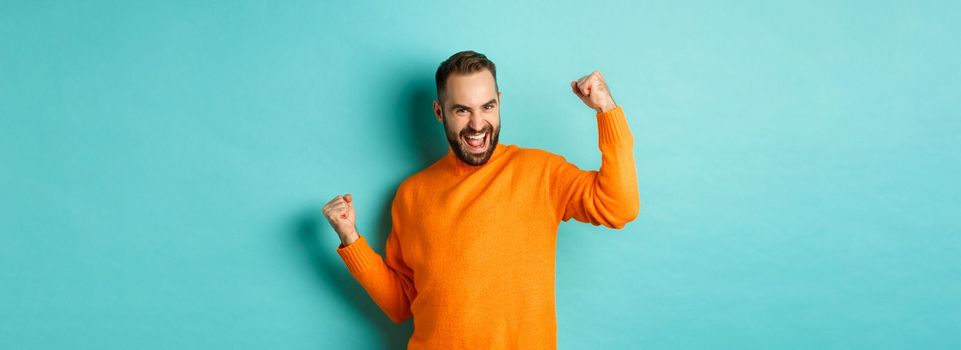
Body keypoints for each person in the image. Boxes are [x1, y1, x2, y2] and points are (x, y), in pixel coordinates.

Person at [321, 50, 640, 349]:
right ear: (439, 111)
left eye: (487, 106)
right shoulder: (411, 194)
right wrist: (350, 238)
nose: (477, 125)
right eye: (462, 110)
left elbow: (619, 207)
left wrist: (606, 109)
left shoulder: (541, 173)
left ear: (499, 102)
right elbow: (401, 305)